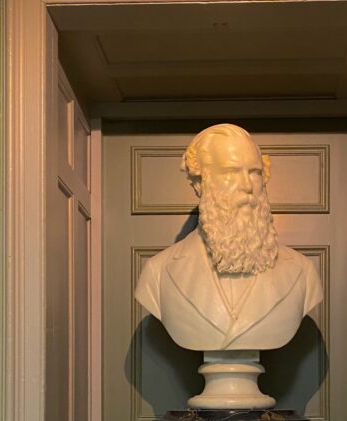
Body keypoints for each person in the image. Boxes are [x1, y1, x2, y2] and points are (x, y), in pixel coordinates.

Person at [134, 124, 323, 352]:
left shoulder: (301, 272)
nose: (246, 186)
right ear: (199, 182)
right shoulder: (158, 273)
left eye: (254, 172)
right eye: (231, 172)